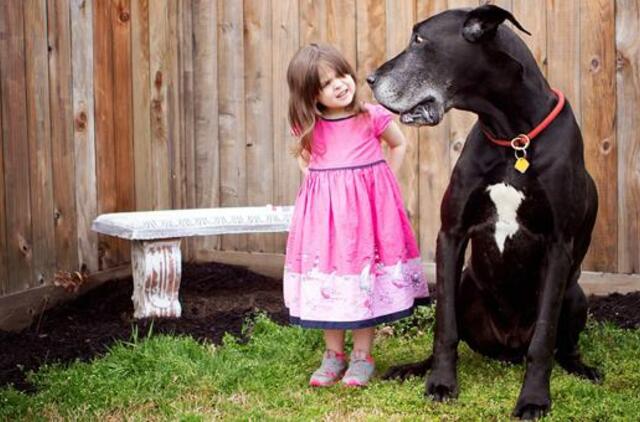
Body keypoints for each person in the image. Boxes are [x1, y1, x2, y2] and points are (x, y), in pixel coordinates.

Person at [283, 43, 429, 388]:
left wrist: (384, 183)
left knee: (363, 279)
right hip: (327, 223)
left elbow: (399, 144)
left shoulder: (371, 116)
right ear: (311, 95)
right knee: (333, 283)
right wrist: (317, 184)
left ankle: (362, 355)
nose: (339, 84)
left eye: (341, 74)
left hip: (368, 217)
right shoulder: (309, 125)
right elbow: (303, 157)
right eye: (325, 83)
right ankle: (334, 355)